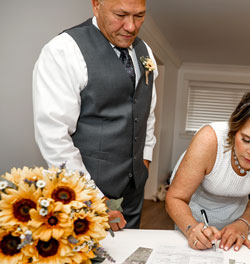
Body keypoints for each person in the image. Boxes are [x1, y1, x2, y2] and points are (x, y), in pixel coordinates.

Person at [32, 0, 158, 230]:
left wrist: (145, 161)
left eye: (139, 16)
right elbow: (53, 135)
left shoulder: (145, 51)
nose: (131, 26)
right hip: (84, 196)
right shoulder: (64, 50)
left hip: (133, 192)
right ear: (96, 5)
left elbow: (146, 112)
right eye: (120, 15)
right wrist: (94, 198)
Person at [165, 89, 250, 251]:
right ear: (234, 129)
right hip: (192, 216)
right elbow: (176, 197)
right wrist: (192, 229)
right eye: (246, 140)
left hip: (237, 217)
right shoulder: (210, 140)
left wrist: (243, 224)